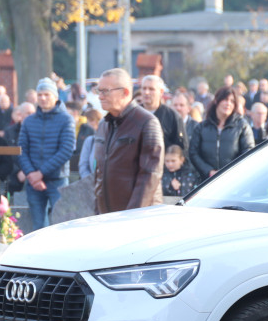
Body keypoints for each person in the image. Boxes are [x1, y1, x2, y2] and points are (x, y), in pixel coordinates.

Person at [93, 68, 164, 214]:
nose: (100, 96)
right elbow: (99, 173)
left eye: (105, 91)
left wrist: (132, 216)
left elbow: (150, 175)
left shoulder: (146, 122)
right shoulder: (104, 124)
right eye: (99, 91)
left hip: (139, 217)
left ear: (125, 92)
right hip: (107, 215)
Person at [17, 77, 76, 231]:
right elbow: (22, 150)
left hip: (57, 180)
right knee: (37, 227)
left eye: (46, 94)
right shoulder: (29, 121)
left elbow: (66, 150)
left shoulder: (66, 119)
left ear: (55, 96)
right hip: (33, 182)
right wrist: (31, 174)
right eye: (40, 95)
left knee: (60, 225)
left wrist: (40, 173)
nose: (42, 98)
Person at [188, 87, 255, 178]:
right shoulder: (202, 127)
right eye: (225, 99)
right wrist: (209, 171)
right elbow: (193, 153)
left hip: (234, 180)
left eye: (232, 101)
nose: (228, 104)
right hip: (206, 181)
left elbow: (248, 151)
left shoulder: (242, 126)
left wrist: (230, 171)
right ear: (217, 101)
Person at [136, 75, 186, 152]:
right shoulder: (133, 114)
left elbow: (181, 146)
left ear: (161, 92)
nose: (146, 92)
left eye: (151, 89)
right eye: (144, 88)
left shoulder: (172, 117)